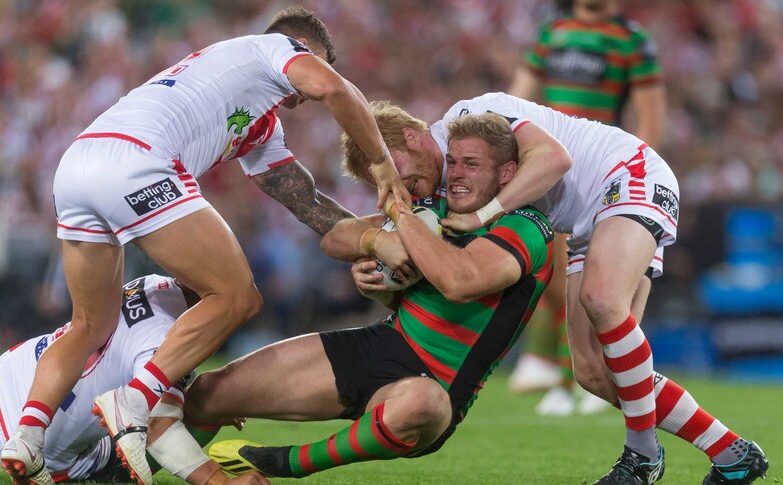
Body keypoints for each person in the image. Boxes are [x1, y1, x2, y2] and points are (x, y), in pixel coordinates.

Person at [1, 7, 410, 485]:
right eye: (323, 60)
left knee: (90, 325)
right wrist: (384, 168)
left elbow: (309, 206)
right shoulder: (271, 48)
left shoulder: (258, 120)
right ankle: (134, 403)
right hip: (139, 160)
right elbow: (335, 88)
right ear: (304, 48)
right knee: (237, 297)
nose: (319, 79)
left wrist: (375, 239)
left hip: (78, 165)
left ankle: (26, 437)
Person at [336, 95, 768, 484]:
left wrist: (484, 213)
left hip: (626, 174)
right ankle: (731, 453)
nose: (405, 193)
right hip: (584, 224)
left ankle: (641, 458)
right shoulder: (441, 186)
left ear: (412, 137)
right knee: (596, 372)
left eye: (403, 179)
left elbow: (555, 159)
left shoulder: (470, 116)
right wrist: (381, 275)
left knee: (601, 299)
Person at [141, 114, 553, 480]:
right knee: (208, 394)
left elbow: (459, 282)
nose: (457, 174)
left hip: (436, 385)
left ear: (507, 174)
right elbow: (337, 238)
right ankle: (131, 470)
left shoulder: (527, 227)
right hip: (380, 346)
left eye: (473, 165)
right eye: (456, 161)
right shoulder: (437, 206)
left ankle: (288, 462)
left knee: (423, 402)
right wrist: (376, 244)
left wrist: (400, 217)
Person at [0, 274, 268, 485]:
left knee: (181, 398)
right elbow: (160, 428)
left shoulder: (154, 284)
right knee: (136, 444)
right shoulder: (165, 339)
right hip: (42, 449)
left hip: (14, 368)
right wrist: (218, 480)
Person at [507, 0, 667, 416]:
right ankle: (568, 374)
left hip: (599, 168)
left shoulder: (631, 41)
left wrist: (636, 170)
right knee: (562, 283)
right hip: (549, 165)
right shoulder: (551, 34)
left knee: (591, 287)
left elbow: (650, 115)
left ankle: (570, 377)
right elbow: (518, 97)